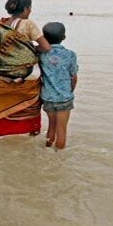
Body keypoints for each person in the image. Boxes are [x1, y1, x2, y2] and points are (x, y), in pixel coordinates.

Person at [0, 0, 51, 142]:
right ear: (27, 9)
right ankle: (34, 142)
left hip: (3, 76)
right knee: (31, 114)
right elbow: (45, 47)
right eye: (30, 8)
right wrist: (30, 51)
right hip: (26, 78)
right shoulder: (28, 24)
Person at [40, 22, 78, 150]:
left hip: (47, 97)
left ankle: (47, 148)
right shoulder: (70, 54)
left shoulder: (41, 53)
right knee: (61, 130)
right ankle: (59, 157)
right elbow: (73, 77)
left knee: (51, 126)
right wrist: (70, 90)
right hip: (64, 98)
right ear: (64, 37)